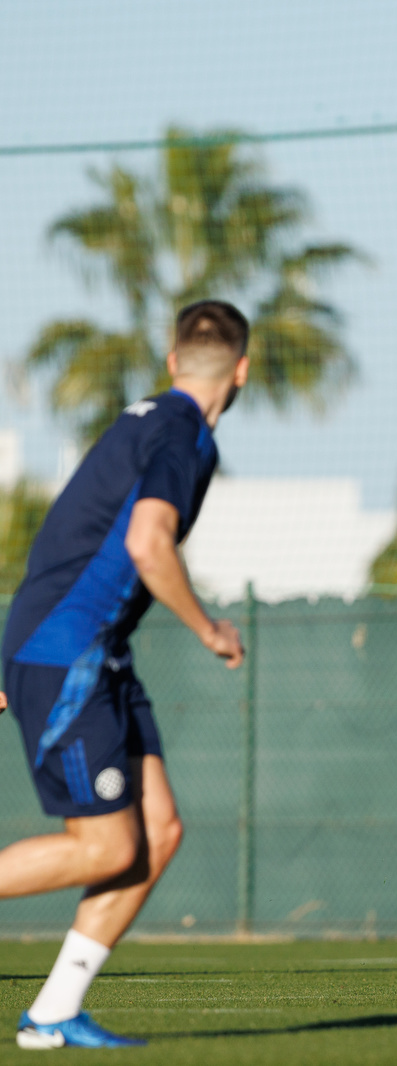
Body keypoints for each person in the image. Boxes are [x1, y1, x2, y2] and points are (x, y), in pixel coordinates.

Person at [0, 301, 250, 1048]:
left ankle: (52, 1013)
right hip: (71, 651)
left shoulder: (141, 420)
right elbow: (148, 543)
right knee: (108, 847)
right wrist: (208, 628)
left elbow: (65, 537)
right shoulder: (182, 434)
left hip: (89, 649)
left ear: (175, 361)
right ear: (241, 371)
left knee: (159, 832)